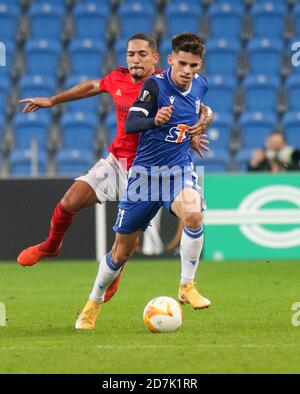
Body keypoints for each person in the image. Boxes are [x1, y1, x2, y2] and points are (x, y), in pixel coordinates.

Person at [17, 33, 213, 303]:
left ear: (157, 59)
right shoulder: (119, 78)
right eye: (131, 54)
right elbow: (91, 87)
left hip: (148, 169)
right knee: (70, 200)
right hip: (118, 161)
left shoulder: (165, 82)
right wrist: (53, 101)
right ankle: (51, 245)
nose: (135, 59)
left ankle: (118, 272)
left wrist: (197, 127)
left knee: (127, 242)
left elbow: (195, 105)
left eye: (142, 54)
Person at [76, 32, 211, 330]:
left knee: (193, 211)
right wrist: (155, 121)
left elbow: (201, 109)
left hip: (177, 171)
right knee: (120, 253)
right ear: (171, 60)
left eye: (194, 65)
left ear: (199, 64)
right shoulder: (154, 86)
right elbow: (134, 122)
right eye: (183, 64)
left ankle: (186, 285)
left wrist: (205, 121)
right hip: (144, 177)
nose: (188, 71)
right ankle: (93, 301)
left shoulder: (201, 84)